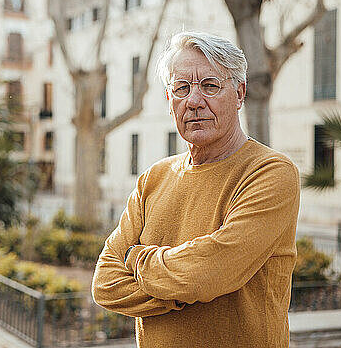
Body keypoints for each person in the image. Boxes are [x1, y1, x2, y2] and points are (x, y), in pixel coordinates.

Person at [91, 31, 300, 347]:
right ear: (169, 101)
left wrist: (136, 261)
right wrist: (184, 291)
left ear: (239, 93)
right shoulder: (153, 180)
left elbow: (208, 272)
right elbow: (105, 284)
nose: (194, 101)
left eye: (210, 86)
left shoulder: (269, 173)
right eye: (181, 88)